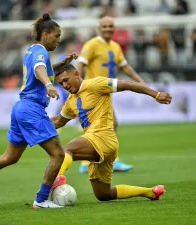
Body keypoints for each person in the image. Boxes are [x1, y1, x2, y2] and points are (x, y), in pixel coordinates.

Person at [0, 13, 77, 209]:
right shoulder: (41, 53)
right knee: (58, 155)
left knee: (10, 157)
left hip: (20, 108)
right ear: (46, 33)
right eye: (57, 35)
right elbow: (41, 70)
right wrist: (48, 84)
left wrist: (62, 64)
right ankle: (41, 200)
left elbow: (42, 69)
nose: (59, 40)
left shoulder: (32, 50)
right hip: (32, 109)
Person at [50, 64, 171, 202]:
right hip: (98, 146)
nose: (64, 85)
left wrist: (156, 94)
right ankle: (150, 192)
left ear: (76, 74)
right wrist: (32, 126)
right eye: (61, 83)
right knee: (103, 194)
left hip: (104, 137)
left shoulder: (96, 84)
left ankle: (57, 179)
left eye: (66, 80)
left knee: (65, 151)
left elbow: (127, 84)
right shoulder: (71, 101)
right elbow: (58, 121)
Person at [77, 16, 146, 173]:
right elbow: (80, 65)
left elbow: (125, 67)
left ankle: (90, 162)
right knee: (108, 124)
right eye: (105, 26)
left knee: (103, 126)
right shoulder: (92, 44)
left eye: (110, 26)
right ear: (99, 28)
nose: (108, 29)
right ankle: (109, 161)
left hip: (106, 93)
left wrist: (139, 81)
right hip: (93, 91)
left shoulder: (115, 46)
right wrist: (79, 87)